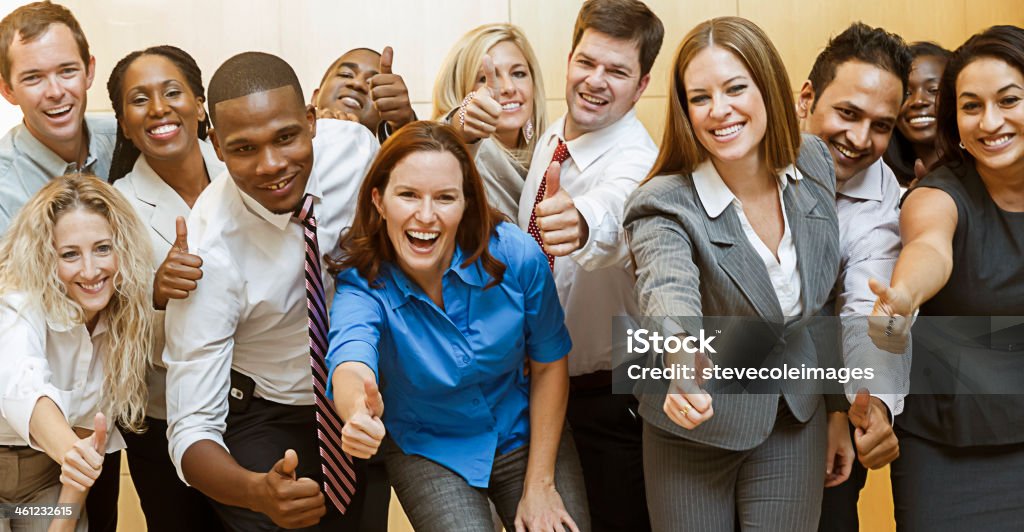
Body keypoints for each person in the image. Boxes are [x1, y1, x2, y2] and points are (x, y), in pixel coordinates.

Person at [624, 16, 850, 531]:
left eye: (734, 88)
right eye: (699, 97)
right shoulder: (663, 204)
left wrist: (836, 408)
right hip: (693, 429)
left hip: (794, 415)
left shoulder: (812, 161)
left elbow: (822, 303)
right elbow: (666, 286)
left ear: (767, 87)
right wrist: (680, 362)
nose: (719, 110)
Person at [326, 120, 589, 532]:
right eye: (408, 195)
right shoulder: (364, 280)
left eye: (445, 197)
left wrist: (540, 484)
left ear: (466, 202)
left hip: (523, 433)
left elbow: (549, 362)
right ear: (378, 200)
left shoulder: (515, 255)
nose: (425, 216)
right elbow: (351, 357)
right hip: (429, 447)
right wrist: (356, 410)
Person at [161, 51, 381, 531]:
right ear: (216, 146)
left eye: (286, 137)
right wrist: (254, 491)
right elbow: (191, 427)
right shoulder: (209, 249)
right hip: (266, 412)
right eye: (244, 149)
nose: (272, 165)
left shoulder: (356, 151)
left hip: (363, 395)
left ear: (311, 120)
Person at [869, 25, 1024, 531]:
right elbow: (928, 248)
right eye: (972, 106)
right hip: (948, 446)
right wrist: (904, 295)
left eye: (1009, 100)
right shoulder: (939, 193)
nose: (991, 122)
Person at [515, 1, 663, 530]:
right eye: (587, 62)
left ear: (642, 85)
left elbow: (618, 217)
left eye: (618, 71)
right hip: (538, 390)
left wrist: (579, 224)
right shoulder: (554, 137)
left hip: (611, 402)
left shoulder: (640, 163)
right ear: (570, 57)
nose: (595, 82)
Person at [796, 22, 912, 532]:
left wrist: (870, 406)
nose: (860, 139)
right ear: (807, 99)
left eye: (881, 125)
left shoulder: (885, 200)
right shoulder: (745, 149)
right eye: (847, 113)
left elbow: (872, 311)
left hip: (824, 425)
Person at [104, 45, 225, 531]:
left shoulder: (246, 173)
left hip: (256, 410)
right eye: (139, 99)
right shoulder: (114, 207)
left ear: (199, 104)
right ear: (125, 124)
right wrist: (156, 298)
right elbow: (105, 334)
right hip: (161, 420)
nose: (158, 107)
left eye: (172, 92)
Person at [0, 174, 152, 532]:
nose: (90, 270)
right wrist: (71, 453)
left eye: (102, 248)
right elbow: (21, 383)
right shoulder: (16, 302)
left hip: (43, 483)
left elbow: (88, 435)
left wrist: (62, 526)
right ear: (45, 257)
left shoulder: (122, 320)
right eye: (70, 254)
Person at [0, 1, 116, 235]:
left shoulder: (128, 140)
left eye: (67, 71)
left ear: (89, 72)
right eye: (33, 77)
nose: (55, 91)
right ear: (7, 90)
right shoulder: (4, 189)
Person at [432, 23, 547, 220]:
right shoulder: (460, 150)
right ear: (462, 88)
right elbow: (447, 136)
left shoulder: (549, 150)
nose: (509, 87)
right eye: (484, 78)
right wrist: (463, 122)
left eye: (518, 73)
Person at [883, 42, 953, 188]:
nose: (918, 101)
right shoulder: (881, 181)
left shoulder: (983, 173)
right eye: (906, 93)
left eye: (933, 90)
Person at [311, 46, 415, 142]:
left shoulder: (387, 159)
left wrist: (405, 126)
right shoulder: (299, 137)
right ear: (315, 96)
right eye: (346, 74)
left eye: (371, 83)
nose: (357, 83)